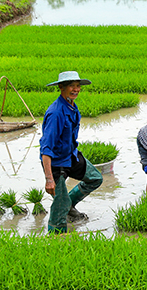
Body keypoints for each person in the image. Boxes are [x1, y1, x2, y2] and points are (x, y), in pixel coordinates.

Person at [40, 71, 103, 234]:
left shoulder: (72, 107)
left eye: (78, 86)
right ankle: (55, 238)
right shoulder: (56, 113)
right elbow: (46, 148)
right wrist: (49, 179)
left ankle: (68, 205)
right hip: (56, 162)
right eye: (71, 86)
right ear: (61, 87)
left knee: (95, 178)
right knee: (59, 208)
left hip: (71, 156)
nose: (76, 89)